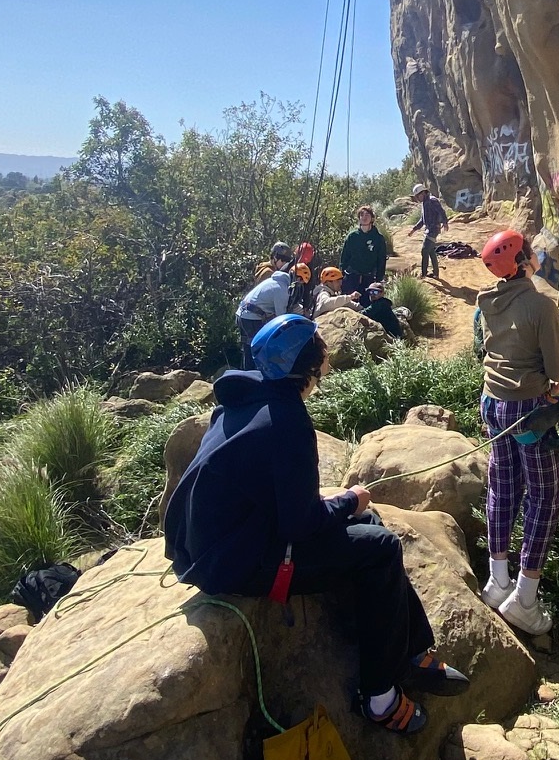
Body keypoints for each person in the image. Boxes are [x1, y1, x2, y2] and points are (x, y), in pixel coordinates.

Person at [164, 315, 469, 735]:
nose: (326, 363)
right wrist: (348, 498)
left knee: (368, 523)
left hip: (219, 542)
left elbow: (266, 491)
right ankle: (378, 697)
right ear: (307, 367)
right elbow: (300, 526)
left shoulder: (245, 397)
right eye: (321, 356)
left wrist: (342, 507)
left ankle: (411, 650)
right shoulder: (287, 421)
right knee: (381, 546)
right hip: (238, 562)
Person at [472, 228, 559, 639]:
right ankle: (525, 599)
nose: (534, 256)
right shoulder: (540, 306)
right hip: (527, 410)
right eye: (529, 253)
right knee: (545, 493)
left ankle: (498, 581)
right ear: (520, 261)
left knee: (503, 485)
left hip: (493, 403)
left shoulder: (487, 300)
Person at [235, 244, 297, 365]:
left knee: (249, 348)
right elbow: (281, 318)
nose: (284, 263)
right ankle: (253, 376)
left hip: (245, 313)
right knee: (257, 348)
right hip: (252, 316)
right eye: (282, 260)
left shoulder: (274, 276)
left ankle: (247, 375)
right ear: (275, 257)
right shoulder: (272, 277)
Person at [339, 204, 388, 295]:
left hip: (369, 279)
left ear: (372, 218)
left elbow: (381, 260)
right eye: (362, 215)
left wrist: (378, 280)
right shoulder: (352, 236)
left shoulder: (378, 238)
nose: (364, 217)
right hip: (351, 277)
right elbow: (344, 258)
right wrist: (341, 277)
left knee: (366, 305)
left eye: (367, 215)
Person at [405, 182, 448, 279]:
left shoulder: (432, 200)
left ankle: (424, 274)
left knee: (424, 250)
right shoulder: (425, 203)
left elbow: (441, 211)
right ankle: (436, 274)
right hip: (429, 229)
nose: (417, 198)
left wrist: (445, 222)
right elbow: (422, 220)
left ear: (422, 193)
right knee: (431, 251)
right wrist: (413, 230)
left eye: (417, 196)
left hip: (433, 229)